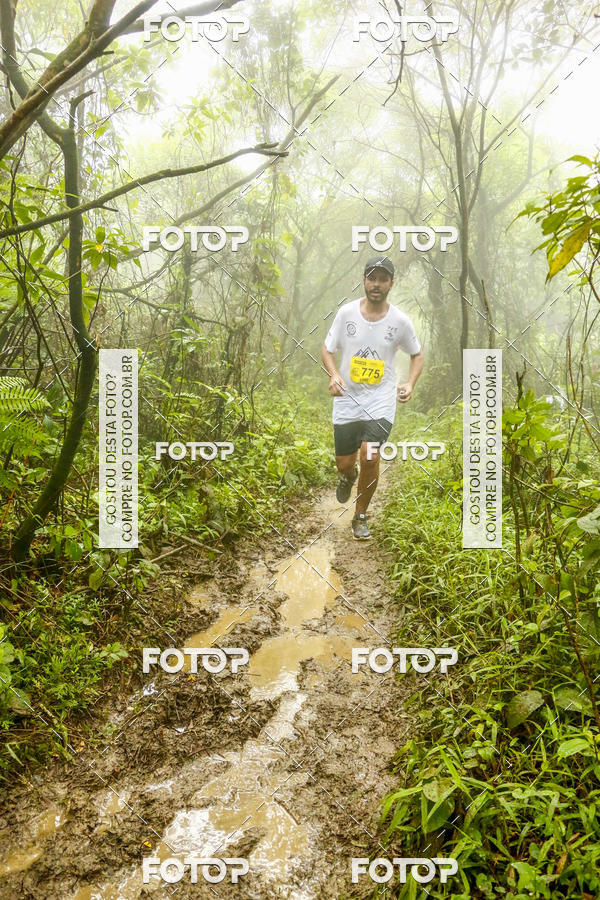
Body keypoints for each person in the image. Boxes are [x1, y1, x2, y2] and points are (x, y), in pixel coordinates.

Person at [321, 255, 424, 540]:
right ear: (364, 280)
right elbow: (328, 349)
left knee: (370, 454)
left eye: (383, 279)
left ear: (391, 283)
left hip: (380, 400)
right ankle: (348, 476)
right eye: (372, 278)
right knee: (345, 462)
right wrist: (334, 374)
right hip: (347, 398)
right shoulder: (346, 314)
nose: (376, 284)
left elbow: (416, 355)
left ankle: (360, 515)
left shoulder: (400, 321)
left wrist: (410, 383)